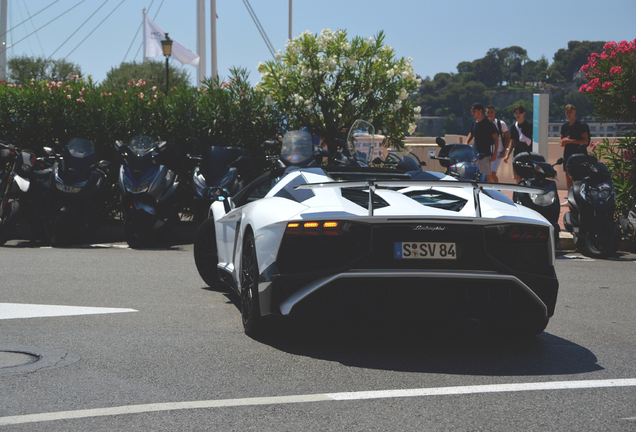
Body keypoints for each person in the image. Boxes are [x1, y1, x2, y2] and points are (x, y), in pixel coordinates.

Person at [560, 104, 589, 194]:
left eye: (570, 112)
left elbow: (585, 141)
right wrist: (564, 141)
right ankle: (570, 196)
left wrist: (570, 141)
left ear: (575, 113)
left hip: (579, 153)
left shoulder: (581, 125)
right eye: (567, 112)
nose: (568, 114)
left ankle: (580, 195)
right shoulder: (564, 126)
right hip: (568, 153)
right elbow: (561, 142)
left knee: (578, 176)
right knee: (568, 176)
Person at [466, 103, 498, 181]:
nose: (472, 113)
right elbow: (472, 133)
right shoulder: (474, 123)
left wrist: (495, 153)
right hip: (475, 154)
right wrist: (466, 142)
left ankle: (490, 191)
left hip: (485, 154)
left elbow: (496, 138)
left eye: (474, 111)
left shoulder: (489, 123)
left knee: (487, 176)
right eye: (472, 111)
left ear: (480, 111)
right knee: (475, 175)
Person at [503, 105, 533, 181]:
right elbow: (512, 142)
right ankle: (518, 193)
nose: (517, 115)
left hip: (528, 155)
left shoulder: (529, 126)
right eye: (516, 113)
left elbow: (533, 139)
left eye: (519, 113)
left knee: (527, 177)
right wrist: (507, 155)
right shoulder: (513, 127)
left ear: (524, 113)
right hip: (517, 154)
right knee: (518, 177)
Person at [485, 105, 510, 183]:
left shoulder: (500, 124)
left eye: (491, 112)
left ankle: (497, 190)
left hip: (498, 152)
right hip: (487, 152)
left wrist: (504, 151)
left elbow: (508, 138)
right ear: (486, 113)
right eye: (488, 112)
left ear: (494, 113)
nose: (490, 114)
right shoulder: (484, 124)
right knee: (486, 175)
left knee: (492, 173)